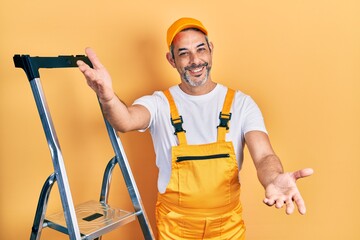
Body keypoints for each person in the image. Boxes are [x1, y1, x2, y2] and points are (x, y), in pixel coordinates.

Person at [77, 17, 314, 240]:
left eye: (201, 49)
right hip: (175, 228)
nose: (195, 60)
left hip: (227, 229)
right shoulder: (159, 103)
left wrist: (273, 178)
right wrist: (107, 96)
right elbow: (125, 120)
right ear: (171, 60)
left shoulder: (241, 104)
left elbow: (264, 155)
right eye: (184, 53)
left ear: (211, 50)